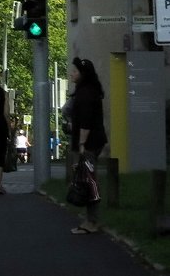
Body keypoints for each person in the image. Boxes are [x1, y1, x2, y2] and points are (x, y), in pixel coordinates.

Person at [69, 56, 107, 235]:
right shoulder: (89, 90)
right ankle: (89, 220)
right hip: (93, 141)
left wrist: (82, 143)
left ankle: (92, 221)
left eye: (75, 71)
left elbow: (86, 121)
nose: (71, 74)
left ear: (83, 74)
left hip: (89, 143)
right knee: (87, 179)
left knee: (88, 180)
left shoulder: (85, 93)